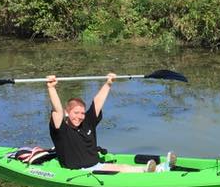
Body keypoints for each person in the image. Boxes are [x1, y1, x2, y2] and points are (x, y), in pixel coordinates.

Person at [46, 72, 175, 173]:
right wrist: (51, 88)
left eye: (82, 113)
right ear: (67, 112)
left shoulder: (87, 122)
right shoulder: (61, 130)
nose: (79, 117)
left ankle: (158, 168)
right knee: (122, 169)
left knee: (122, 166)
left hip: (96, 166)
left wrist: (108, 83)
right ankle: (157, 170)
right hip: (81, 172)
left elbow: (97, 102)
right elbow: (57, 110)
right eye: (76, 113)